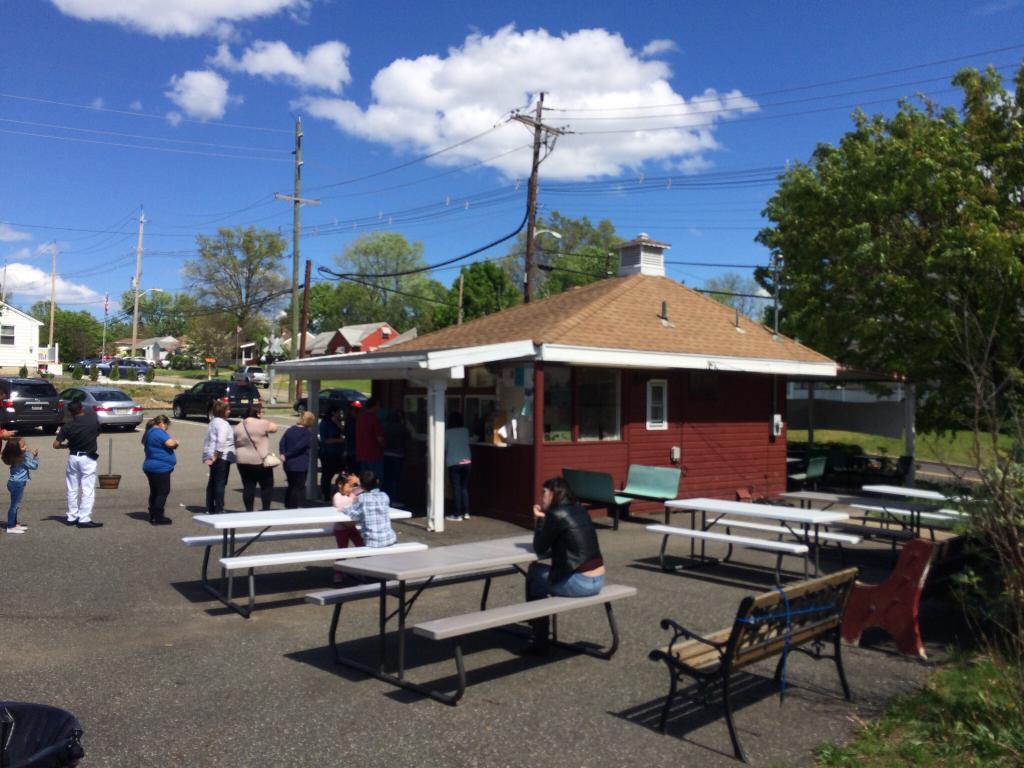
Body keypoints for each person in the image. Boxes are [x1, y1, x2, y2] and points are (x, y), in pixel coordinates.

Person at [525, 476, 606, 653]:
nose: (541, 497)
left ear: (554, 494)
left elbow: (539, 547)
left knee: (533, 572)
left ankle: (539, 637)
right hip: (599, 580)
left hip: (580, 583)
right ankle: (536, 625)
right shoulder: (580, 510)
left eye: (543, 493)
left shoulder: (555, 515)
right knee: (539, 574)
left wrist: (539, 520)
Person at [53, 399, 102, 528]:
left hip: (73, 456)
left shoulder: (67, 426)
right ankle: (84, 518)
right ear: (81, 408)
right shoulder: (92, 421)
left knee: (72, 488)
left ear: (70, 412)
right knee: (87, 489)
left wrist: (65, 446)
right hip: (88, 457)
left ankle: (71, 516)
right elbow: (97, 432)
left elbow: (56, 445)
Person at [233, 403, 279, 511]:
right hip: (259, 460)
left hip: (242, 460)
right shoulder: (262, 423)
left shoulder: (239, 426)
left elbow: (235, 442)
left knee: (248, 486)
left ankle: (249, 510)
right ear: (257, 413)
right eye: (262, 412)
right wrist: (263, 420)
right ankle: (265, 509)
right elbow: (275, 428)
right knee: (267, 485)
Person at [141, 415, 178, 525]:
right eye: (167, 426)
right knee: (162, 492)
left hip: (150, 466)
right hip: (160, 468)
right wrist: (176, 443)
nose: (166, 428)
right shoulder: (159, 432)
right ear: (163, 424)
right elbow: (170, 443)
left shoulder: (149, 432)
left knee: (155, 491)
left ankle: (153, 513)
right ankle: (158, 516)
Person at [346, 469, 396, 549]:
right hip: (389, 538)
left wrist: (343, 508)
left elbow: (353, 514)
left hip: (371, 541)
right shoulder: (385, 496)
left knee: (344, 526)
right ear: (377, 481)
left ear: (361, 486)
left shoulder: (362, 498)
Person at [202, 400, 234, 514]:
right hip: (221, 456)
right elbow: (221, 441)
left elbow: (208, 440)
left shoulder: (213, 422)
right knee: (220, 483)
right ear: (223, 411)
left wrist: (208, 456)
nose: (230, 411)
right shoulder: (223, 424)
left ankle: (210, 506)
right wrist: (216, 456)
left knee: (213, 481)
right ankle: (219, 508)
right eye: (228, 409)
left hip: (212, 455)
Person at [279, 411, 315, 509]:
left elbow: (282, 442)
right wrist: (287, 454)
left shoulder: (290, 430)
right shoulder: (307, 433)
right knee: (298, 487)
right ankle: (293, 507)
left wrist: (282, 453)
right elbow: (299, 447)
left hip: (288, 464)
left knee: (291, 485)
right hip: (300, 463)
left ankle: (287, 505)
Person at [2, 437, 38, 534]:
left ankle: (14, 523)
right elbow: (34, 466)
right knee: (14, 505)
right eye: (23, 446)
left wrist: (28, 452)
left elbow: (25, 455)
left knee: (16, 505)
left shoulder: (15, 456)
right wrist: (35, 456)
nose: (26, 447)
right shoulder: (22, 459)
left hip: (13, 483)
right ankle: (10, 526)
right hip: (17, 484)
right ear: (16, 450)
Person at [445, 411, 472, 521]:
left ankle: (457, 514)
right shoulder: (465, 431)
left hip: (454, 462)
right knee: (464, 488)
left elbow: (445, 447)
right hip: (467, 462)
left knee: (456, 489)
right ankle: (466, 512)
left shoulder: (447, 432)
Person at [382, 409, 410, 505]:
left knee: (387, 478)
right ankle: (394, 500)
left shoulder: (385, 427)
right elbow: (409, 436)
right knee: (395, 479)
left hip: (385, 454)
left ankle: (386, 498)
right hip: (397, 455)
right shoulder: (401, 427)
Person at [318, 407, 345, 502]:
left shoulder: (336, 423)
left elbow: (344, 431)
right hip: (328, 452)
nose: (340, 415)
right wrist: (340, 440)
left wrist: (338, 423)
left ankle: (338, 491)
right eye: (339, 412)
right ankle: (326, 495)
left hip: (338, 452)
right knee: (327, 474)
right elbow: (325, 440)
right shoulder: (325, 424)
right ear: (333, 412)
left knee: (343, 472)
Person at [332, 472, 364, 548]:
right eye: (349, 486)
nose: (351, 489)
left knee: (360, 546)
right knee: (342, 549)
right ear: (340, 484)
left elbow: (363, 488)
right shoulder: (337, 495)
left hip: (352, 526)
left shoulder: (351, 493)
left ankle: (363, 559)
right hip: (340, 527)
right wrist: (352, 499)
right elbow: (339, 506)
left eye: (352, 486)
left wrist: (358, 481)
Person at [355, 397, 385, 481]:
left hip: (362, 453)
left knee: (364, 480)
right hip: (374, 454)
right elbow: (380, 439)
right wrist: (384, 446)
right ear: (375, 406)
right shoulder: (374, 418)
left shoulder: (360, 417)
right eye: (378, 405)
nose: (379, 408)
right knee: (376, 479)